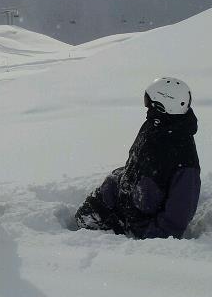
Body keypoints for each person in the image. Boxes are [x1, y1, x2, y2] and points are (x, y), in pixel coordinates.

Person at [75, 77, 200, 239]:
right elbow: (135, 164)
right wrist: (112, 188)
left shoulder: (184, 157)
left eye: (149, 102)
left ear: (163, 105)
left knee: (91, 244)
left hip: (142, 224)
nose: (146, 107)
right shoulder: (154, 126)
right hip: (125, 201)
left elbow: (178, 215)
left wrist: (146, 234)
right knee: (82, 219)